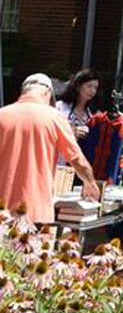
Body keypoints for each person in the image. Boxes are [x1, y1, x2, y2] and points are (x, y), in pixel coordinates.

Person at [0, 73, 99, 224]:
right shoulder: (55, 118)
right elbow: (76, 159)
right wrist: (90, 183)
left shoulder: (2, 114)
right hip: (36, 212)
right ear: (47, 93)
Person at [57, 69, 100, 140]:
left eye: (95, 88)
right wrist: (72, 132)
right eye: (89, 86)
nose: (93, 91)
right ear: (78, 86)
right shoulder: (59, 107)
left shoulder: (93, 113)